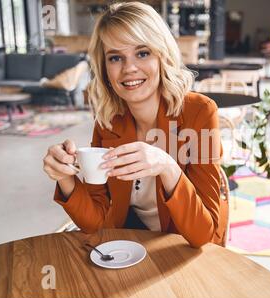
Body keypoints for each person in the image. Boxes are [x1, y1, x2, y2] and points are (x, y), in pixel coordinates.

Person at [42, 2, 227, 248]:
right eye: (116, 57)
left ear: (162, 56)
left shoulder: (199, 113)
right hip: (131, 245)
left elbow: (206, 235)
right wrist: (65, 177)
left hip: (180, 248)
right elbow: (96, 222)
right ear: (105, 68)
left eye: (142, 53)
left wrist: (166, 166)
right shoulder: (108, 121)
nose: (129, 68)